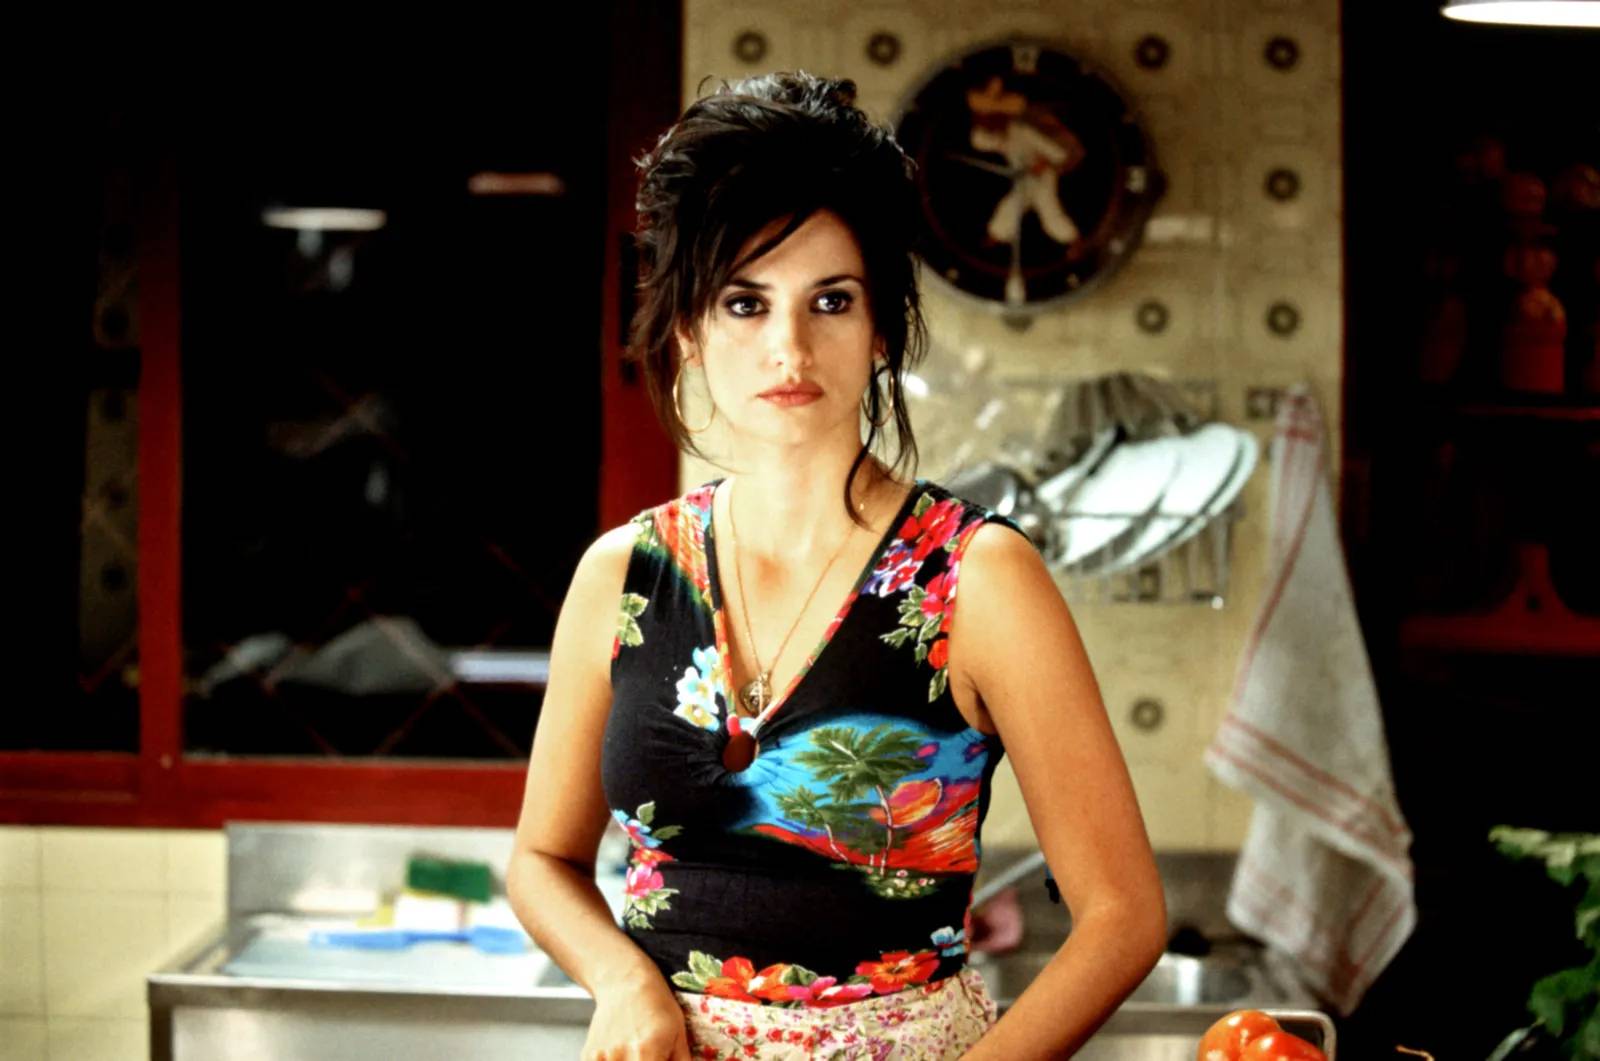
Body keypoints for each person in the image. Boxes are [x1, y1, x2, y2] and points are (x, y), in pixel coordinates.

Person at [506, 70, 1167, 1060]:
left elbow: (1123, 914)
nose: (789, 347)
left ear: (882, 326)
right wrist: (623, 980)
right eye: (743, 302)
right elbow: (541, 858)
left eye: (831, 299)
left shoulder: (979, 578)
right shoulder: (624, 573)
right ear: (687, 327)